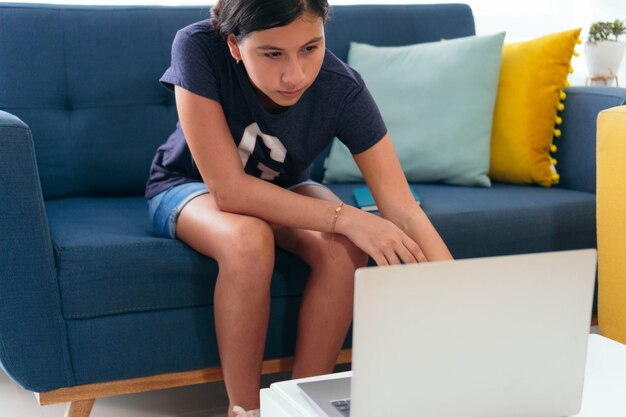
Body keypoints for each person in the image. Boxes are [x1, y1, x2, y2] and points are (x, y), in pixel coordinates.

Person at [145, 0, 453, 415]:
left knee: (343, 247)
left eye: (311, 48)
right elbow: (231, 193)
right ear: (235, 46)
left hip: (286, 188)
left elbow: (403, 209)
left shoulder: (342, 87)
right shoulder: (198, 47)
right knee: (249, 240)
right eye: (272, 54)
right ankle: (245, 409)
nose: (296, 75)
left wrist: (460, 305)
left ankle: (303, 406)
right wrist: (349, 217)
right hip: (189, 186)